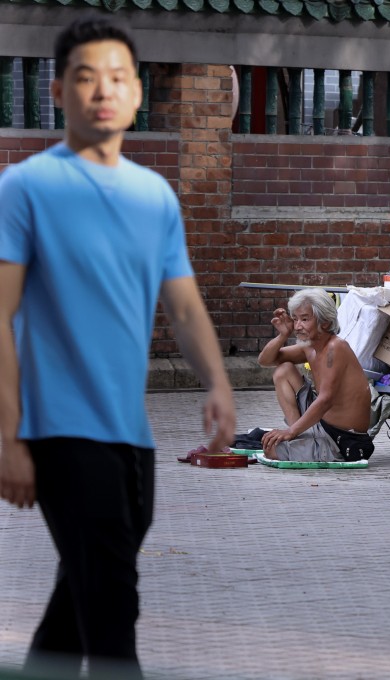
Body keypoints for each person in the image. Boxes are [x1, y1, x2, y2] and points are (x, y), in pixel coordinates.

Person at [0, 17, 236, 679]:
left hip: (130, 435)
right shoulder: (25, 189)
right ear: (56, 92)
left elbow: (184, 306)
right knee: (112, 614)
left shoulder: (153, 195)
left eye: (117, 77)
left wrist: (218, 383)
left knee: (81, 597)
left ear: (137, 94)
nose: (102, 90)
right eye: (85, 77)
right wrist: (7, 435)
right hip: (57, 430)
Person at [258, 288, 374, 462]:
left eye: (305, 319)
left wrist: (290, 431)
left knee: (272, 451)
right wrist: (283, 335)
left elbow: (325, 399)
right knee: (283, 370)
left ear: (325, 322)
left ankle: (296, 433)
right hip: (322, 424)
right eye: (295, 319)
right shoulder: (310, 346)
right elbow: (265, 360)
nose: (297, 326)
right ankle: (299, 434)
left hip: (342, 440)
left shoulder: (335, 348)